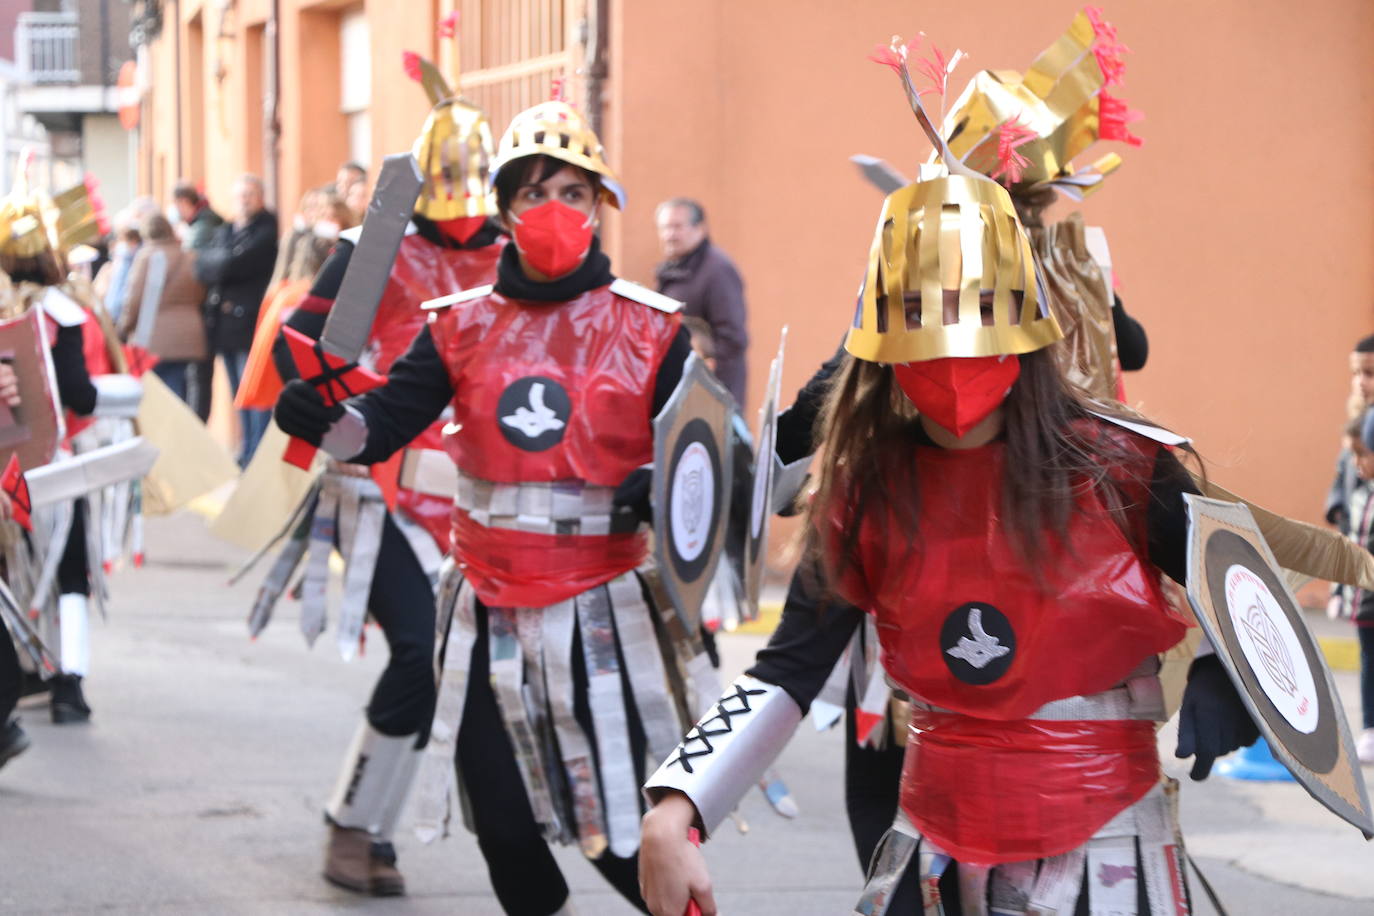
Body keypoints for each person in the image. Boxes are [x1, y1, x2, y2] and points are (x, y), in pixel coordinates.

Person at [638, 38, 1266, 915]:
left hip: (1104, 856)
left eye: (975, 312)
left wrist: (1237, 676)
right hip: (933, 853)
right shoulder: (863, 490)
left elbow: (1242, 586)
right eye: (923, 317)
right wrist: (679, 804)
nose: (952, 344)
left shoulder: (1124, 467)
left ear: (1022, 318)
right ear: (881, 334)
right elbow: (788, 667)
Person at [275, 97, 697, 916]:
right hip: (481, 611)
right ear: (506, 207)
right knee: (504, 828)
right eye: (534, 191)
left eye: (573, 193)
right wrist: (325, 423)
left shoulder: (652, 329)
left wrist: (669, 484)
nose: (553, 210)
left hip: (601, 613)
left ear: (600, 207)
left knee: (619, 822)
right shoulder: (457, 325)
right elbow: (383, 425)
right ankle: (363, 828)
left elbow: (712, 465)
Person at [250, 87, 507, 896]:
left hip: (479, 492)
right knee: (419, 653)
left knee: (456, 663)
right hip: (378, 482)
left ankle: (380, 832)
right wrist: (355, 409)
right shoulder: (376, 246)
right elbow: (306, 348)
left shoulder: (517, 257)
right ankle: (353, 825)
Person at [200, 174, 278, 465]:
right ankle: (247, 450)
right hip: (224, 326)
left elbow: (236, 263)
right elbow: (202, 264)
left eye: (249, 195)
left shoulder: (266, 229)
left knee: (254, 393)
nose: (244, 200)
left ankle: (257, 453)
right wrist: (221, 263)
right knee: (238, 393)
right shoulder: (227, 230)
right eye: (240, 195)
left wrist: (221, 263)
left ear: (260, 197)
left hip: (249, 324)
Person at [654, 199, 749, 406]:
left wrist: (712, 390)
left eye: (677, 227)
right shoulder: (674, 269)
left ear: (699, 229)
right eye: (664, 228)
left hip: (709, 397)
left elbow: (731, 339)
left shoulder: (717, 271)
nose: (669, 235)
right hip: (682, 391)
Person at [116, 213, 207, 404]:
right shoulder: (189, 257)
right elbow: (200, 294)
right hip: (187, 336)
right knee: (177, 389)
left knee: (155, 394)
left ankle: (162, 433)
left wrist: (123, 329)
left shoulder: (146, 257)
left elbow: (133, 300)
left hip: (152, 336)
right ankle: (177, 430)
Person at [173, 181, 224, 422]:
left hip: (201, 311)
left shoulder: (201, 228)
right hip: (201, 312)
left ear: (184, 203)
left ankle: (195, 427)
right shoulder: (204, 224)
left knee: (197, 377)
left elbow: (192, 268)